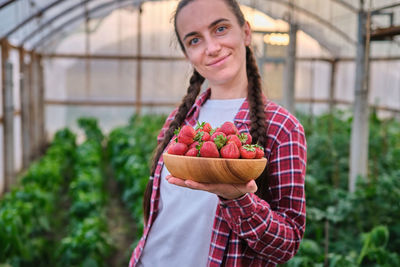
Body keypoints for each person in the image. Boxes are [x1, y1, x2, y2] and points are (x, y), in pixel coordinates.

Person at [129, 0, 307, 266]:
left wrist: (238, 198)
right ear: (187, 54)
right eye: (194, 40)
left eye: (220, 28)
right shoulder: (178, 121)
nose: (211, 48)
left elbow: (287, 244)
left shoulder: (282, 128)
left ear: (246, 32)